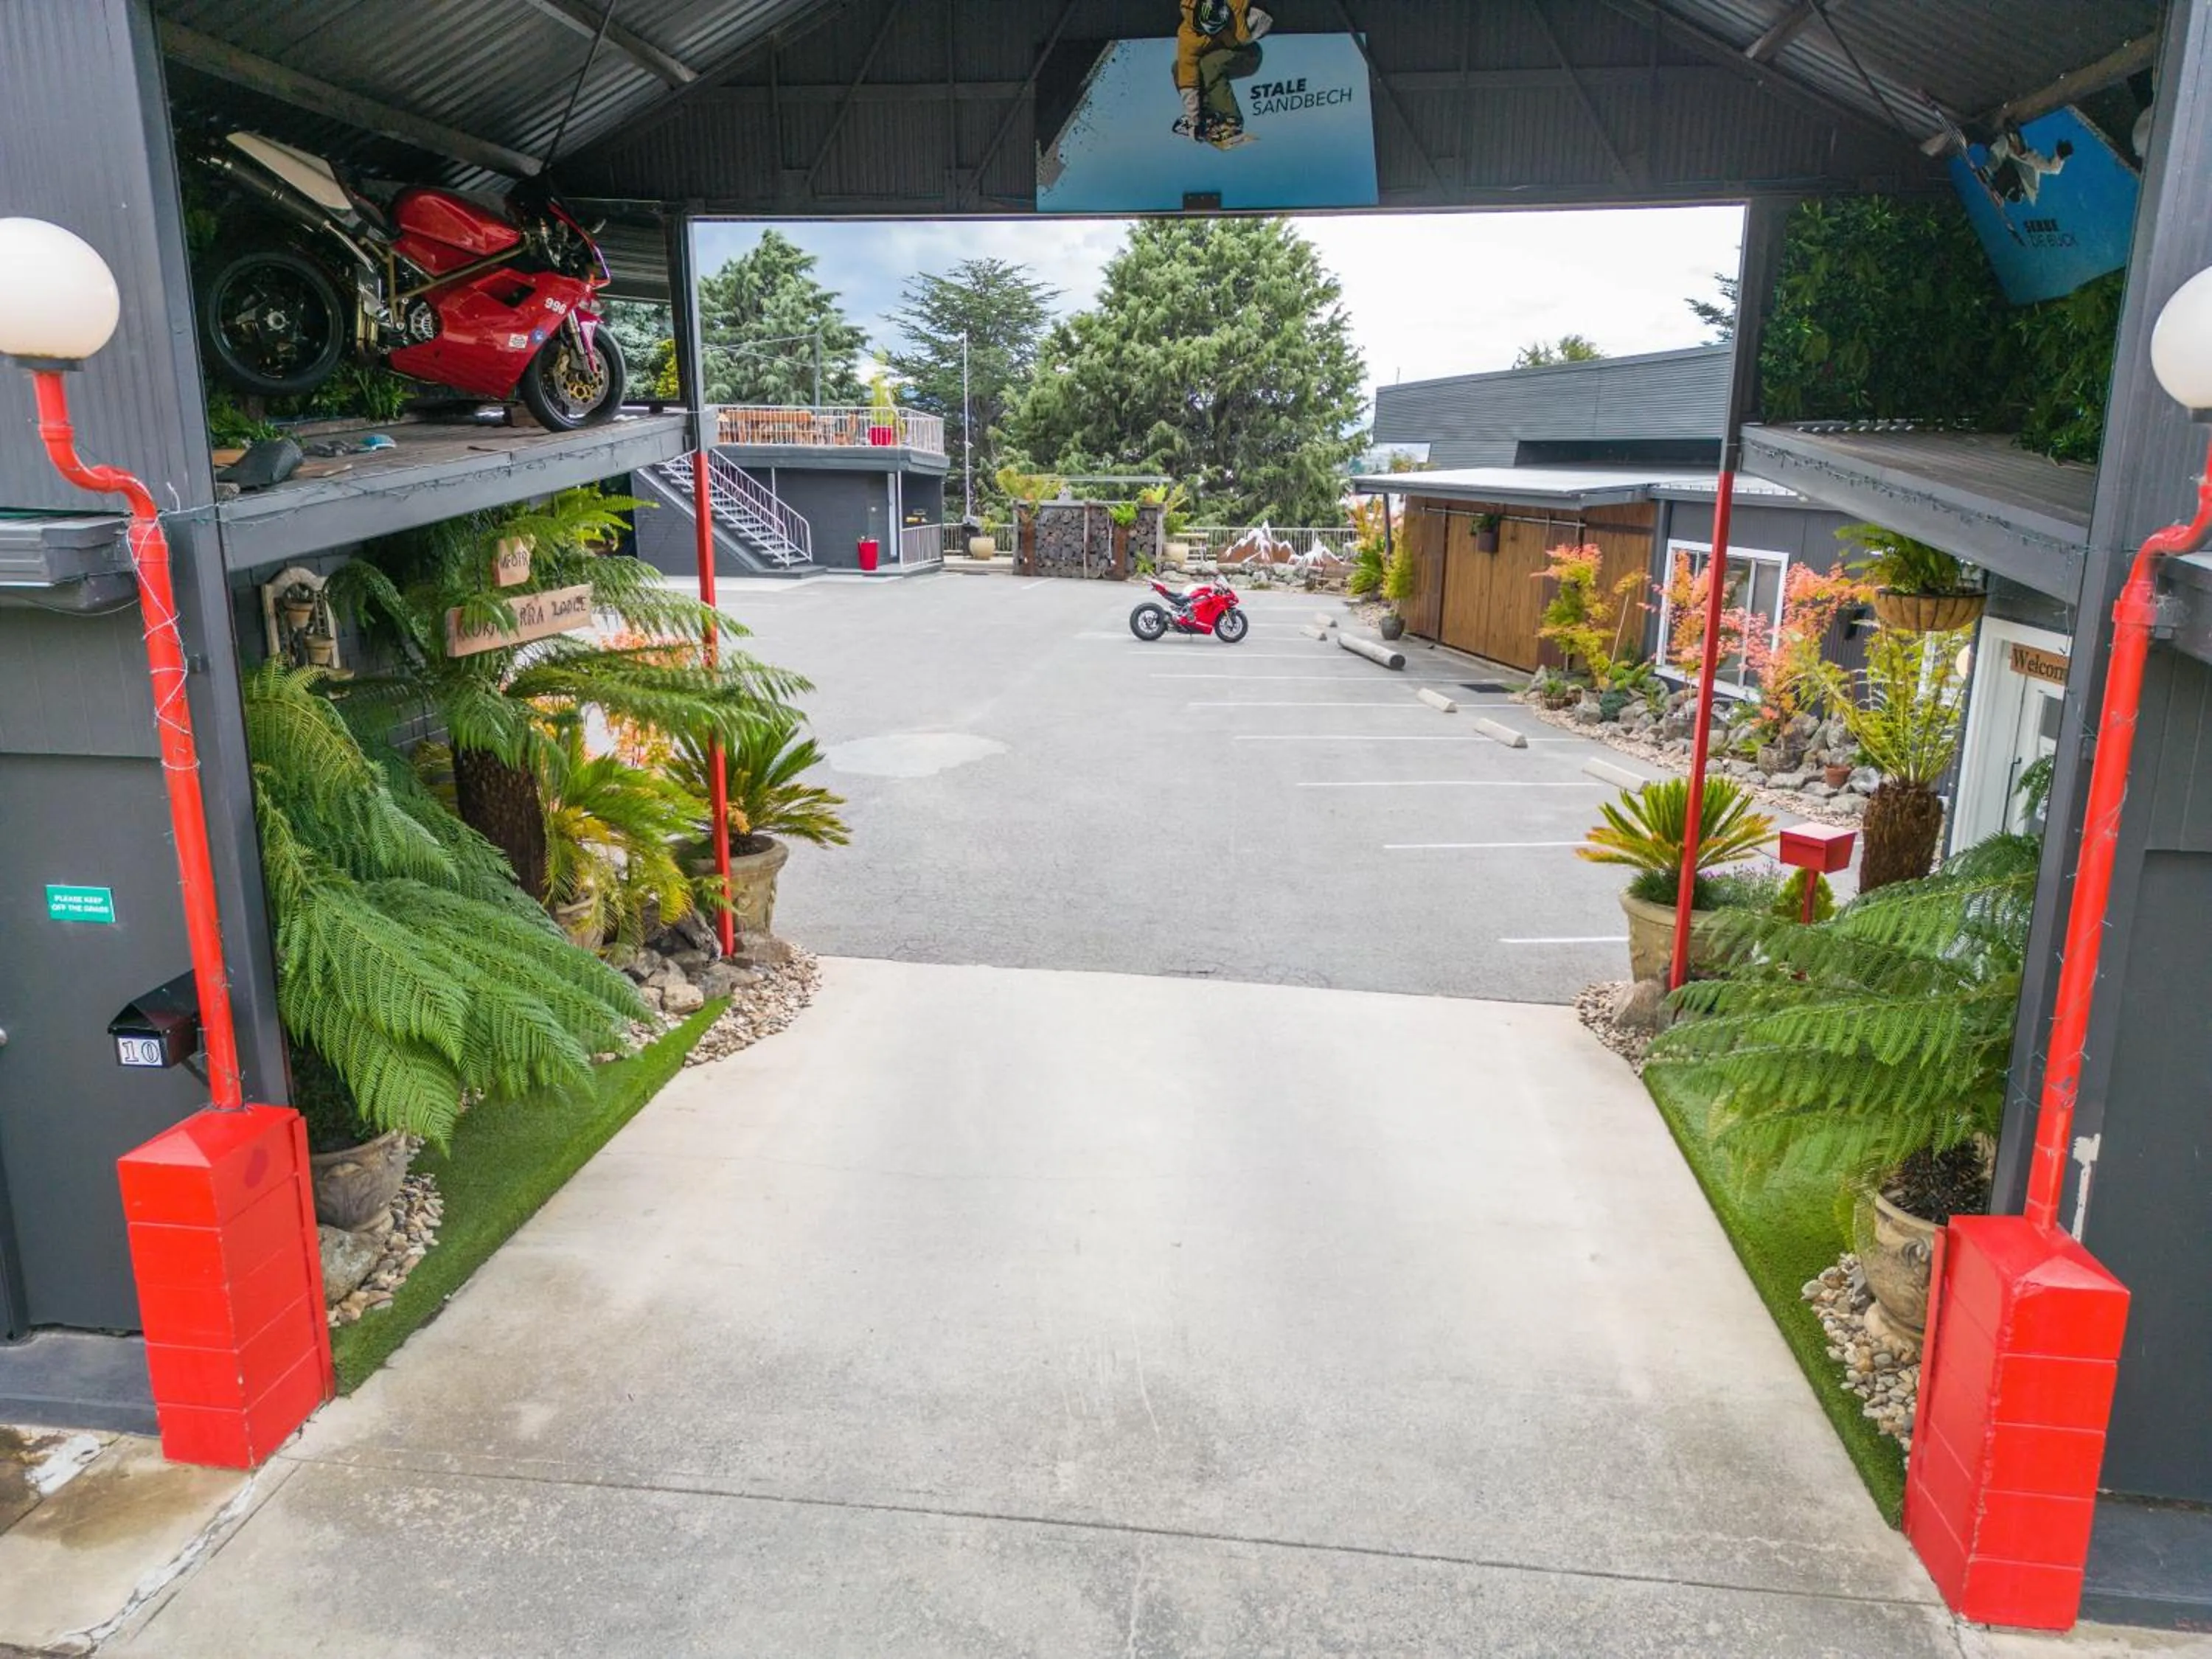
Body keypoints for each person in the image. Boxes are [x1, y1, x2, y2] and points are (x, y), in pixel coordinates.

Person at [1172, 0, 1273, 147]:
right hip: (1222, 54)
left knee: (1210, 65)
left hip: (1248, 55)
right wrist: (1194, 119)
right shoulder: (1188, 37)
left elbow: (1265, 20)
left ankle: (1232, 120)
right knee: (1179, 68)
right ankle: (1206, 114)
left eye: (1219, 27)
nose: (1216, 32)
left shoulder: (1235, 6)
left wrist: (1254, 25)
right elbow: (1188, 82)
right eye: (1211, 28)